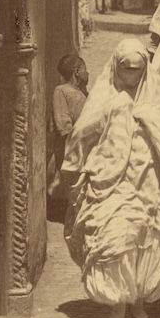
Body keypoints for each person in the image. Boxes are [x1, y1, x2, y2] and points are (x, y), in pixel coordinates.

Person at [61, 38, 160, 318]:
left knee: (148, 240)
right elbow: (82, 134)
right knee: (116, 237)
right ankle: (118, 305)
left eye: (137, 69)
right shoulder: (104, 97)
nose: (131, 75)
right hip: (112, 181)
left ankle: (139, 304)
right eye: (126, 68)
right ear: (116, 68)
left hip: (151, 180)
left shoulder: (157, 97)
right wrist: (73, 169)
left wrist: (157, 130)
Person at [47, 54, 89, 207]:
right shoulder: (61, 91)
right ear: (76, 71)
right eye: (85, 69)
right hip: (69, 148)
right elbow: (64, 125)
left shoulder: (83, 92)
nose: (87, 73)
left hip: (83, 147)